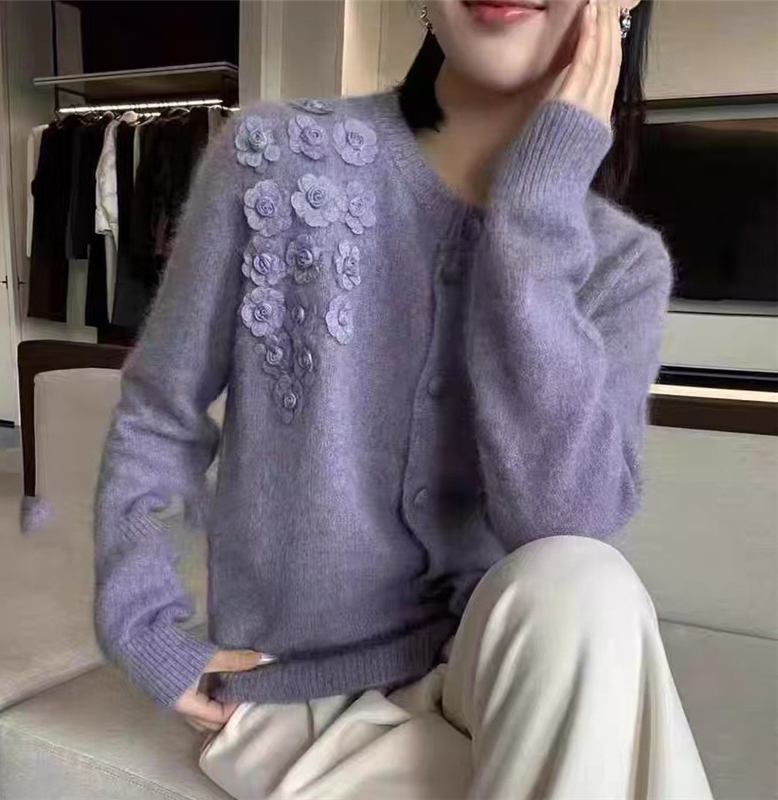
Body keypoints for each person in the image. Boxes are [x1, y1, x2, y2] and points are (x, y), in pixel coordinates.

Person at [93, 0, 713, 797]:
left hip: (499, 679)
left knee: (587, 580)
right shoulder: (276, 158)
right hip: (296, 698)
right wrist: (142, 626)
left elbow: (562, 524)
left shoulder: (623, 263)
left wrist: (533, 217)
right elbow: (160, 412)